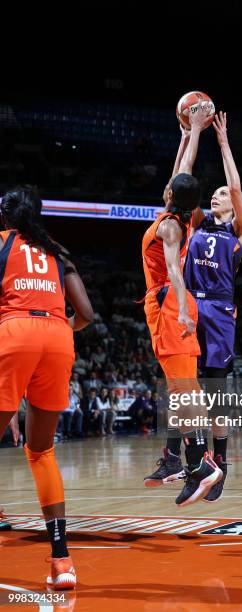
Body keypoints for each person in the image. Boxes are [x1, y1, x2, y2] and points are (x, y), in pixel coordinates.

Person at [145, 112, 242, 502]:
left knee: (214, 395)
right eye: (215, 193)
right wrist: (191, 136)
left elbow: (238, 190)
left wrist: (222, 142)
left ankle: (219, 464)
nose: (217, 196)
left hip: (219, 313)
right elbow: (177, 183)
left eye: (221, 194)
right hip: (188, 303)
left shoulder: (240, 231)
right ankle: (180, 456)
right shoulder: (195, 223)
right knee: (182, 389)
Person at [0, 186, 93, 589]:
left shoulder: (2, 243)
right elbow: (86, 314)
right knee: (41, 451)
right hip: (59, 338)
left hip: (15, 331)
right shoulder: (57, 249)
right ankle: (62, 562)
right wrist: (54, 329)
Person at [141, 104, 222, 506]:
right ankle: (187, 462)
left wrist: (185, 312)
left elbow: (174, 269)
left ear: (173, 194)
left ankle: (200, 464)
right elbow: (183, 170)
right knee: (182, 393)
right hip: (169, 307)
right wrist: (191, 133)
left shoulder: (171, 226)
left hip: (171, 306)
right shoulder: (181, 215)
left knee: (183, 393)